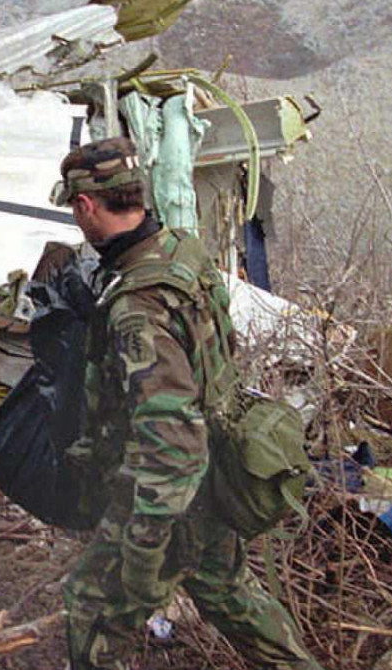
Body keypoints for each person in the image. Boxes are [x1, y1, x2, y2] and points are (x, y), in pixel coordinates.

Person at [53, 138, 324, 670]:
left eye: (74, 209)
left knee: (92, 605)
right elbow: (218, 349)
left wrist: (144, 547)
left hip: (168, 496)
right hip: (213, 472)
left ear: (86, 206)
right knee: (231, 595)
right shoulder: (180, 249)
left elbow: (172, 442)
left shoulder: (137, 306)